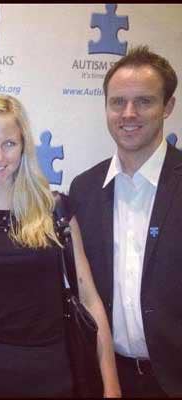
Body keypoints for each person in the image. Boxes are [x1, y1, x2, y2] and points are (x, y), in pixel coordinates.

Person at [0, 93, 120, 397]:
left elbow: (89, 299)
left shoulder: (56, 211)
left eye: (9, 143)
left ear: (24, 147)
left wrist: (111, 385)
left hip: (52, 374)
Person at [69, 45, 182, 397]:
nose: (128, 113)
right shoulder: (84, 189)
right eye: (117, 102)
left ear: (168, 107)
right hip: (106, 380)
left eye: (144, 101)